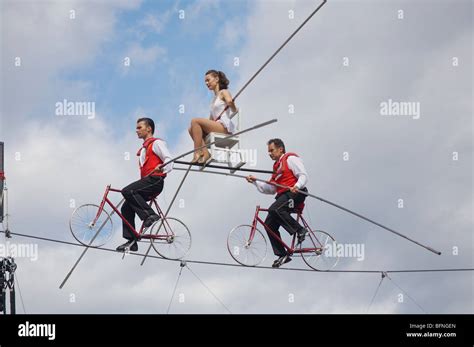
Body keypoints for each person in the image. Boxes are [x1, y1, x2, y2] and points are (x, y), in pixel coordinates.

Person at [246, 139, 309, 268]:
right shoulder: (276, 167)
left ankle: (300, 230)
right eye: (268, 151)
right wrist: (255, 182)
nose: (269, 153)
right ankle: (282, 254)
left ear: (280, 149)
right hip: (284, 196)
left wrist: (297, 186)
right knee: (269, 224)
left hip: (296, 193)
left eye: (271, 150)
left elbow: (303, 175)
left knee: (275, 209)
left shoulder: (290, 159)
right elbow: (270, 189)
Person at [116, 117, 173, 252]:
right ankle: (132, 241)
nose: (136, 131)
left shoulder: (157, 143)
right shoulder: (143, 149)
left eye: (139, 127)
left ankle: (150, 215)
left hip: (155, 181)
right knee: (126, 208)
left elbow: (169, 159)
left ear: (149, 129)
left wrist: (163, 168)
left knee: (127, 191)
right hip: (147, 183)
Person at [188, 70, 238, 163]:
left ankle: (197, 152)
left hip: (225, 127)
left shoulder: (224, 92)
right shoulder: (213, 100)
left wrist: (231, 104)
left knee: (194, 121)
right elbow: (211, 120)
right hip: (217, 125)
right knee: (191, 129)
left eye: (208, 80)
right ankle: (206, 153)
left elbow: (231, 104)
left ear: (217, 79)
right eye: (205, 82)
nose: (207, 83)